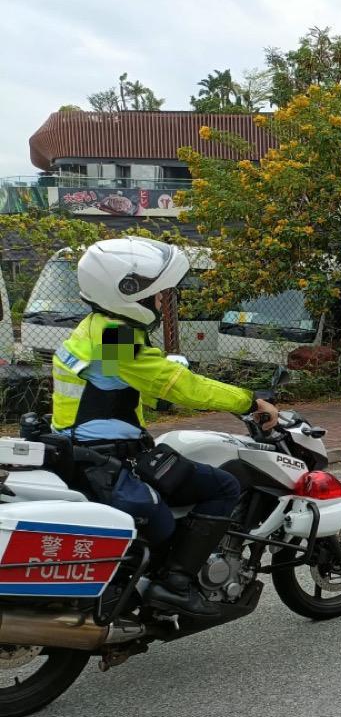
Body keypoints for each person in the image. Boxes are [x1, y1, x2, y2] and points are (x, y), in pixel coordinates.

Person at [51, 237, 278, 616]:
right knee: (223, 485)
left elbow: (120, 387)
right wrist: (248, 400)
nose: (160, 302)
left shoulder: (94, 328)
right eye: (156, 294)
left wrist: (162, 383)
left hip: (86, 453)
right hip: (107, 461)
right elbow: (177, 386)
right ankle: (175, 584)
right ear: (128, 293)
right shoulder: (115, 337)